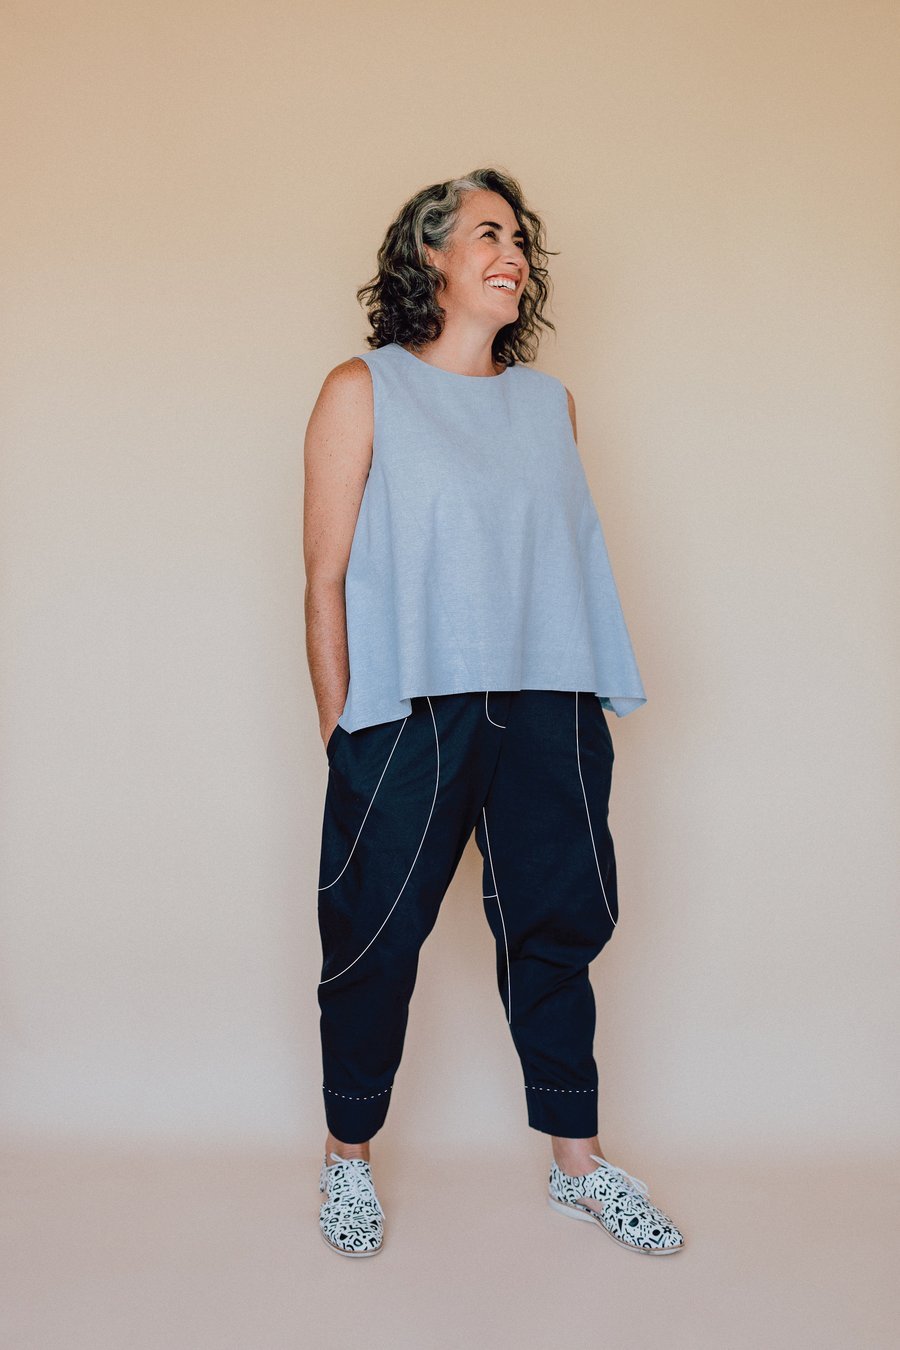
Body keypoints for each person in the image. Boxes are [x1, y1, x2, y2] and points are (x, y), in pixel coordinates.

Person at [302, 167, 685, 1258]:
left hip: (550, 698)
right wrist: (344, 734)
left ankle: (578, 1166)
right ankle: (346, 1159)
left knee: (558, 929)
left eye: (519, 239)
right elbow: (323, 578)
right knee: (374, 938)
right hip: (411, 707)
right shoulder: (363, 389)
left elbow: (559, 560)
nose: (511, 254)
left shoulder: (549, 404)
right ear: (428, 255)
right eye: (486, 234)